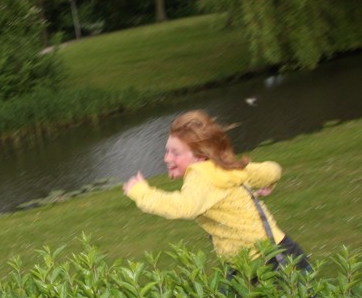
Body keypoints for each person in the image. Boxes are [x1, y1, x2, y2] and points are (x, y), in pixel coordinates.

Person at [122, 110, 310, 272]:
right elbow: (271, 170)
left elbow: (184, 207)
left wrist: (142, 193)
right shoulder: (223, 167)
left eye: (175, 153)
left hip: (268, 262)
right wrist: (267, 182)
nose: (167, 158)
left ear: (200, 156)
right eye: (167, 151)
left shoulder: (200, 175)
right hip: (270, 254)